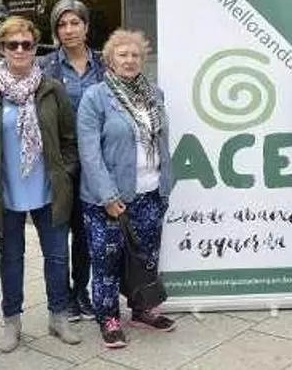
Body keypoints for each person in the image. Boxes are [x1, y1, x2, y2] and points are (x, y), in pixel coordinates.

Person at [0, 16, 80, 353]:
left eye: (26, 44)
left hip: (48, 189)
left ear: (35, 48)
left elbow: (68, 138)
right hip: (6, 192)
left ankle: (58, 316)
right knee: (11, 258)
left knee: (57, 257)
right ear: (2, 48)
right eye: (12, 44)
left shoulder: (51, 88)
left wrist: (65, 172)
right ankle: (12, 321)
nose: (19, 50)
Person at [77, 28, 175, 349]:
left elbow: (161, 141)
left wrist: (166, 185)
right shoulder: (95, 97)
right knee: (106, 259)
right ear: (110, 59)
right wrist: (107, 195)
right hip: (109, 198)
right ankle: (108, 317)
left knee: (146, 257)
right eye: (122, 54)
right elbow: (89, 152)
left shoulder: (154, 95)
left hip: (151, 192)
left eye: (135, 55)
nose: (129, 60)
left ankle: (142, 309)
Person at [37, 0, 105, 322]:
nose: (68, 30)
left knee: (85, 232)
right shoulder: (44, 67)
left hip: (96, 162)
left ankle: (81, 293)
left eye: (74, 22)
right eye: (62, 24)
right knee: (57, 232)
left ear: (86, 27)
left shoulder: (105, 64)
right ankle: (61, 297)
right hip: (59, 162)